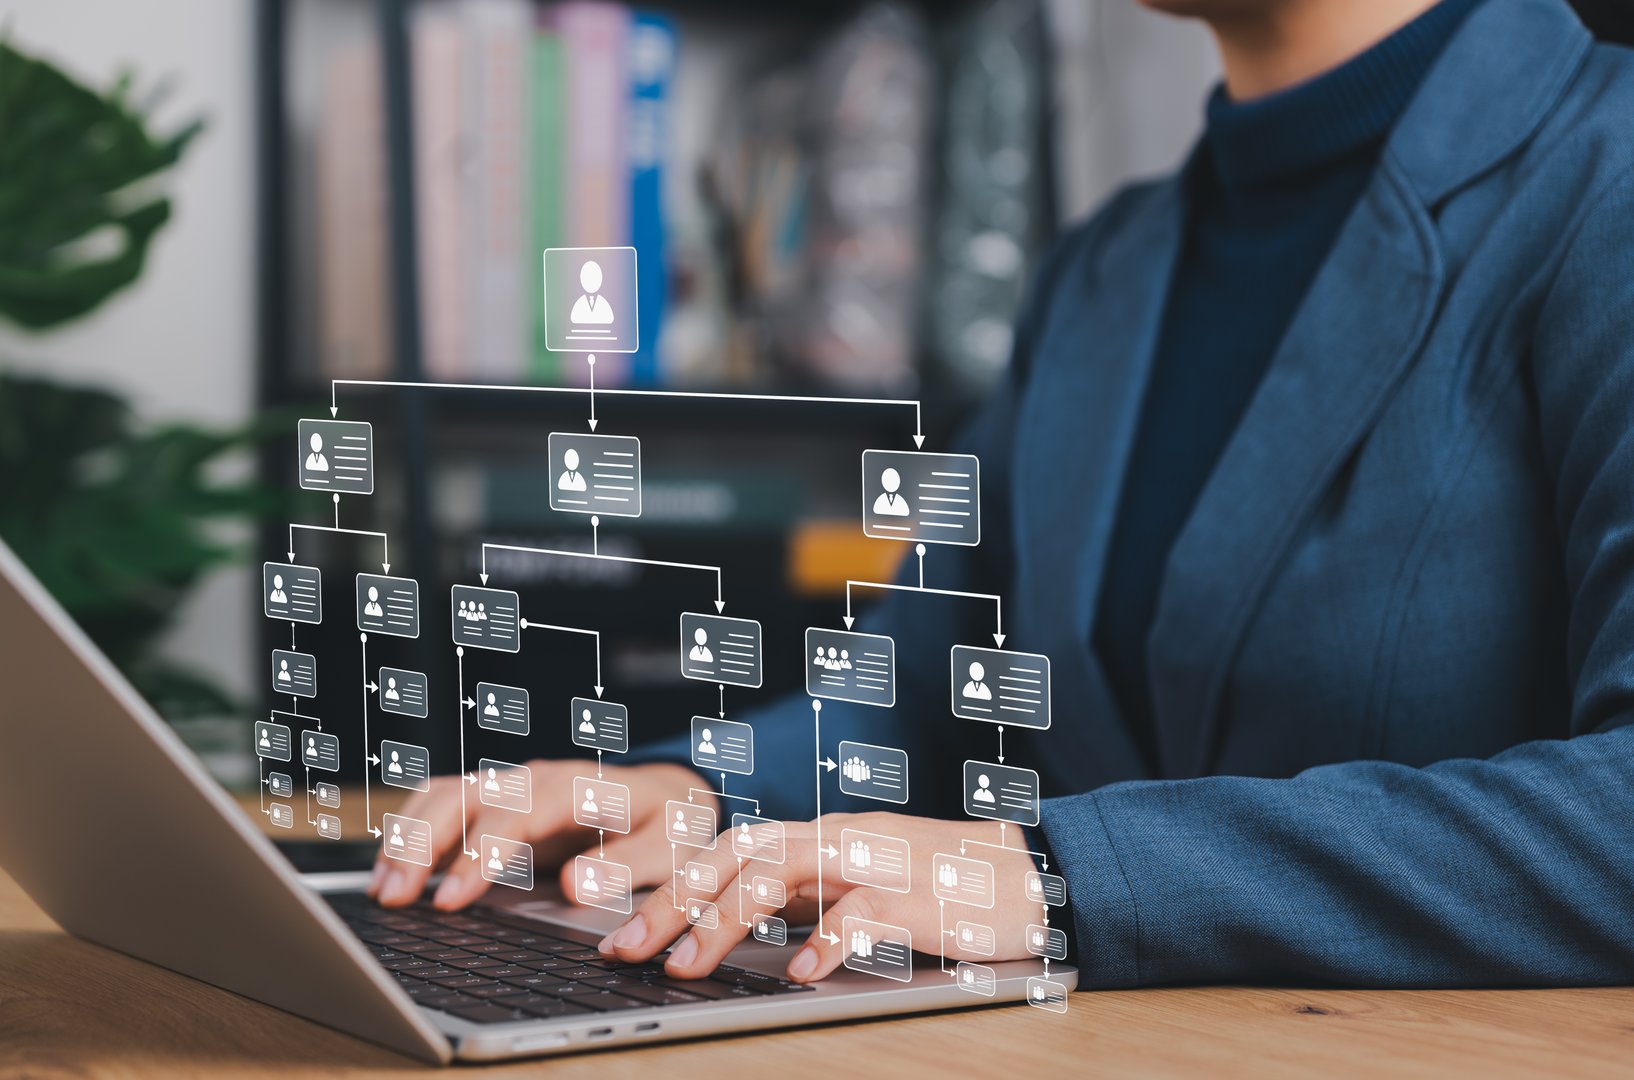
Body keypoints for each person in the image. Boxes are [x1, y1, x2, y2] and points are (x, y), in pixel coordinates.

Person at [372, 0, 1634, 995]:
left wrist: (1061, 874)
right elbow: (912, 693)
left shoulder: (1598, 184)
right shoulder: (1104, 270)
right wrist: (693, 793)